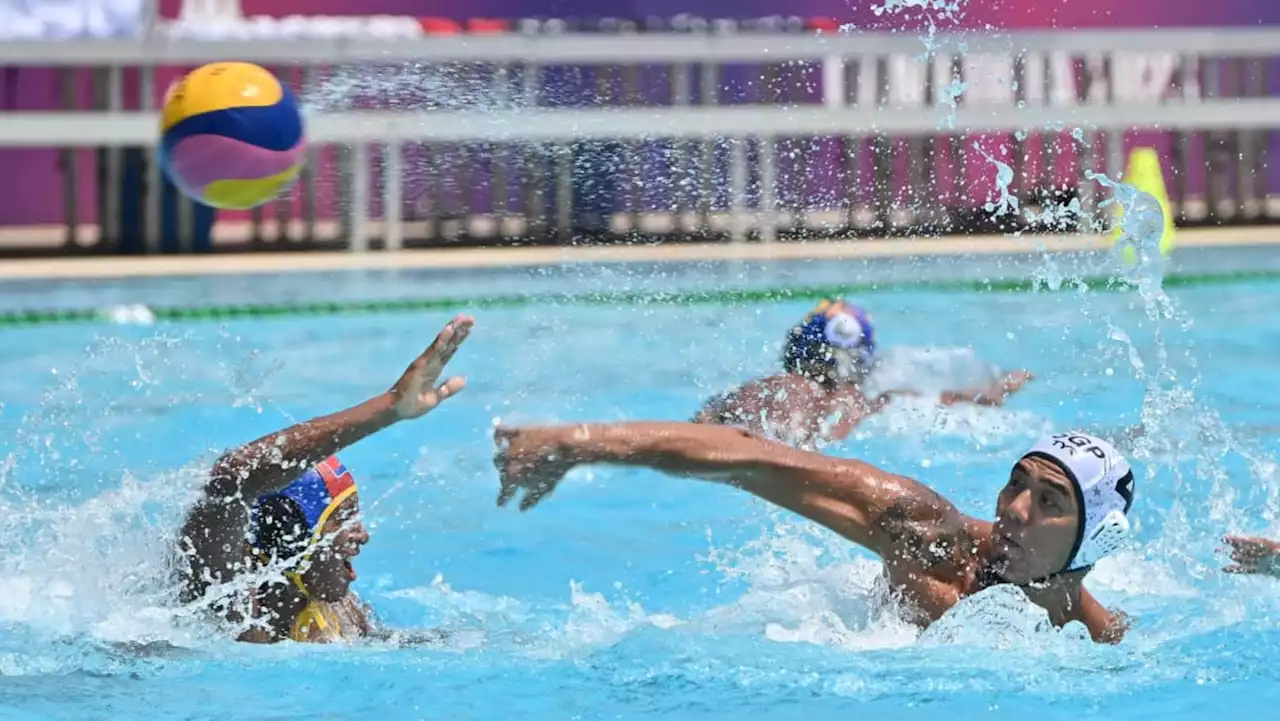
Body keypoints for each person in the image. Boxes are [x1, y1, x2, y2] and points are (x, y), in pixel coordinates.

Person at [493, 422, 1136, 643]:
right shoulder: (928, 539)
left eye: (1048, 500)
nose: (1014, 509)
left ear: (1093, 540)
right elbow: (756, 456)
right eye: (1015, 483)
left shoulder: (1100, 639)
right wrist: (583, 445)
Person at [175, 315, 474, 644]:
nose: (363, 534)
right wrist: (389, 407)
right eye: (343, 516)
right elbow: (231, 477)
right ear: (290, 533)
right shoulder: (227, 602)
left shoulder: (343, 612)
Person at [693, 298, 1034, 447]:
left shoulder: (757, 392)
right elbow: (950, 403)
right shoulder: (864, 402)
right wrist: (1001, 388)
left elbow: (698, 424)